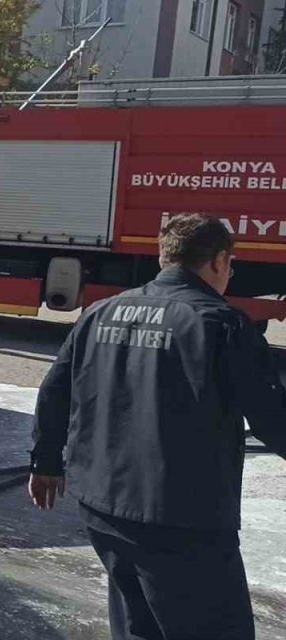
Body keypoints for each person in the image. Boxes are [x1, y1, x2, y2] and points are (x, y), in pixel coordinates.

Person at [30, 213, 286, 640]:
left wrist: (45, 462)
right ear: (219, 261)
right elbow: (273, 417)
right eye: (231, 264)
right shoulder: (221, 323)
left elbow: (55, 390)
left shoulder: (101, 312)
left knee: (138, 627)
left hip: (102, 508)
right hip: (181, 520)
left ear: (164, 257)